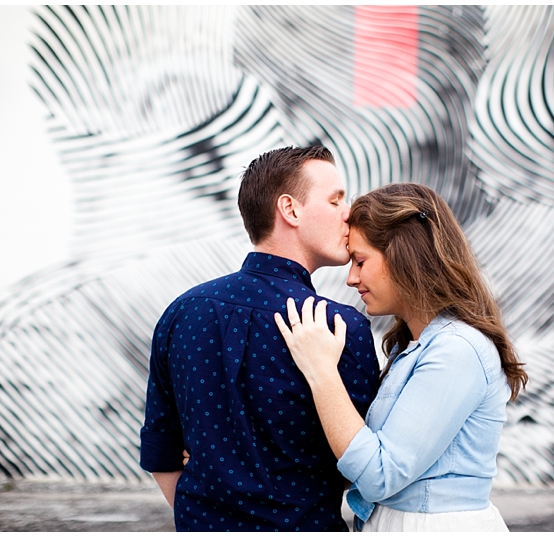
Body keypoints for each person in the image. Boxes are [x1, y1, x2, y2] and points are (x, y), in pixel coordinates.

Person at [139, 146, 381, 531]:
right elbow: (365, 466)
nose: (348, 212)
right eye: (336, 199)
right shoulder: (340, 326)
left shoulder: (182, 312)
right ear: (290, 209)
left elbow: (160, 449)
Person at [275, 183, 528, 532]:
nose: (351, 278)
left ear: (404, 255)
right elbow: (360, 452)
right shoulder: (412, 346)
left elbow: (379, 474)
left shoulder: (457, 350)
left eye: (360, 261)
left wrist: (321, 371)